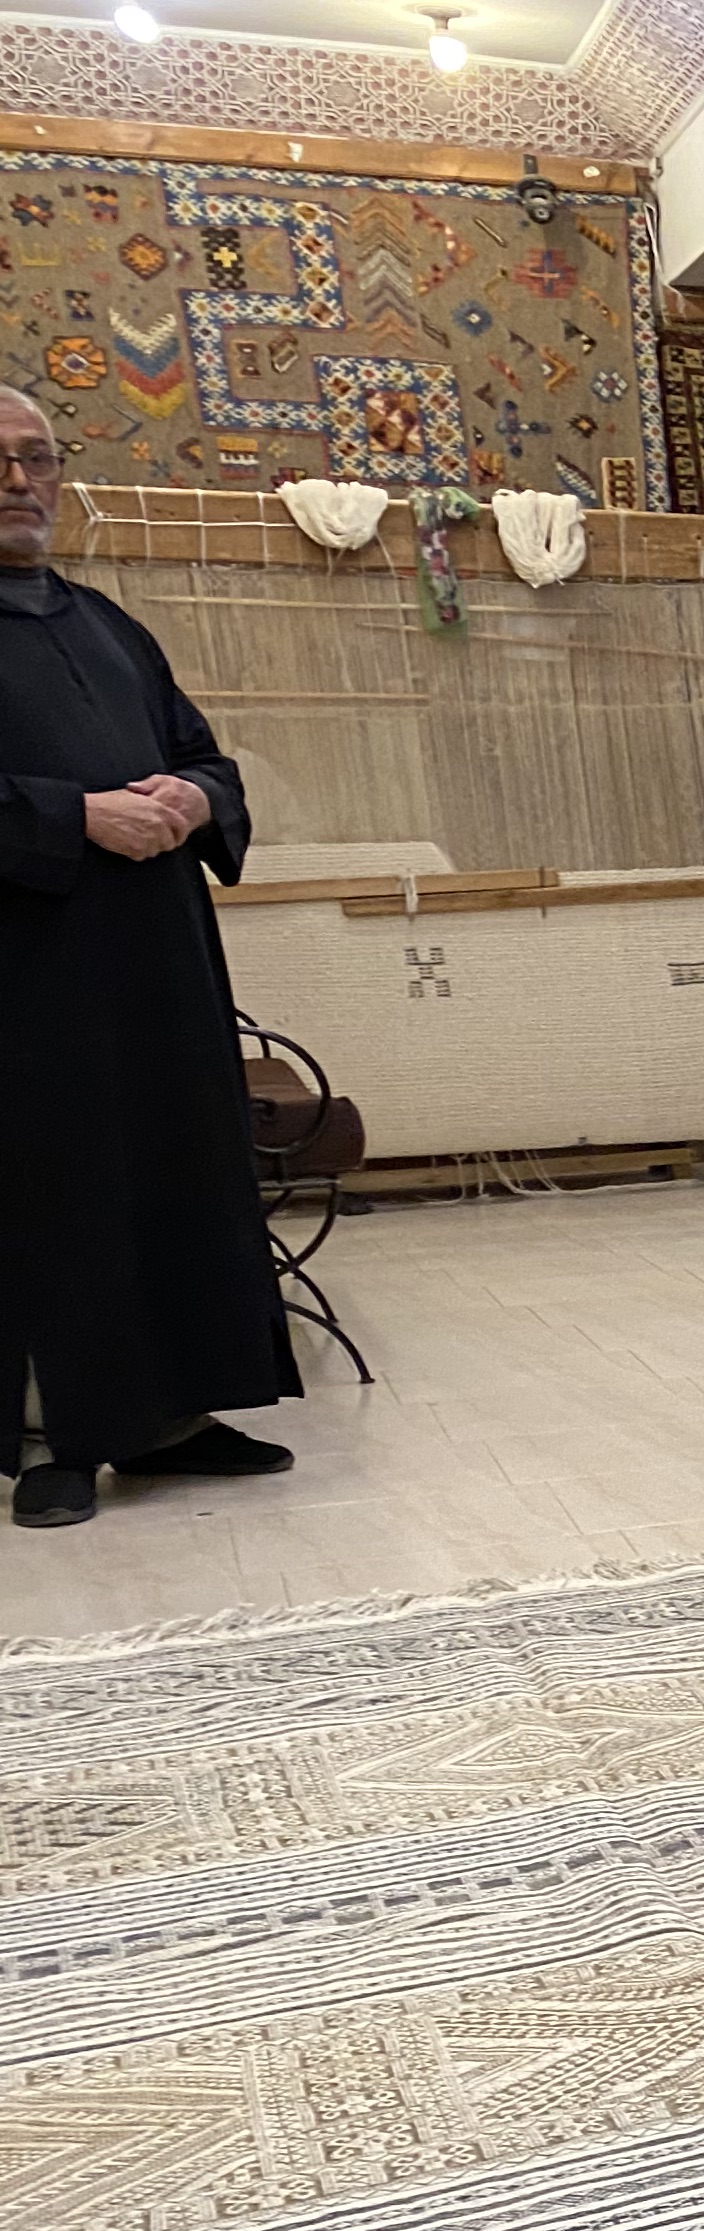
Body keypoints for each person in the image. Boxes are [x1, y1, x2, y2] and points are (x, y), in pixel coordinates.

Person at [0, 381, 299, 1531]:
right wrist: (72, 817)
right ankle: (58, 1439)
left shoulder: (109, 625)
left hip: (159, 973)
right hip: (28, 990)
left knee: (175, 1176)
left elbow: (203, 755)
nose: (20, 482)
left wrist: (195, 797)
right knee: (53, 1195)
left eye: (38, 457)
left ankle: (172, 1419)